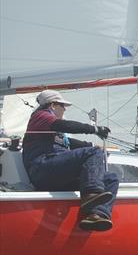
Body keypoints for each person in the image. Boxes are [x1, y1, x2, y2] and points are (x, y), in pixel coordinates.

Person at [22, 90, 117, 231]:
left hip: (55, 173)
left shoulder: (52, 130)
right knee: (94, 153)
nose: (64, 109)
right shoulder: (41, 116)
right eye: (62, 106)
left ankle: (96, 215)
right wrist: (94, 129)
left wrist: (93, 147)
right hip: (43, 169)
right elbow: (65, 126)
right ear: (53, 105)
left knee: (110, 178)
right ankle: (91, 194)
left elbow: (70, 142)